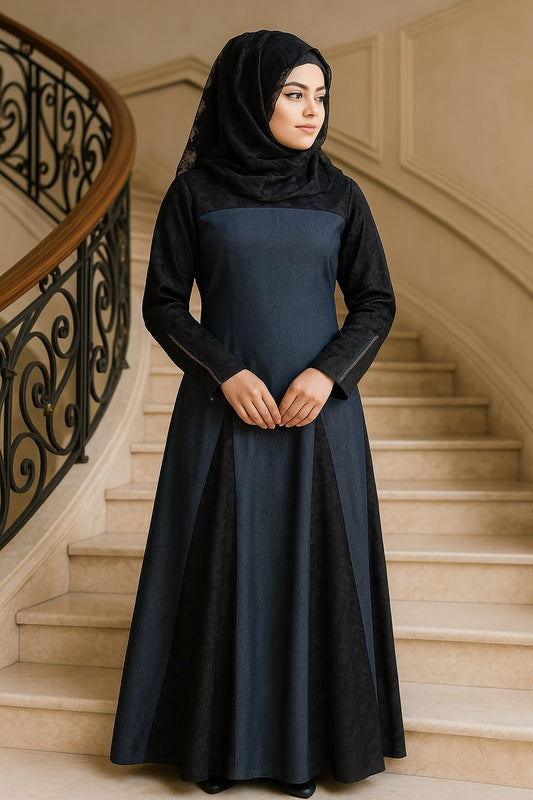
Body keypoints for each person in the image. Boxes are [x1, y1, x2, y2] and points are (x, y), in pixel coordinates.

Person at [110, 29, 406, 798]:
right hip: (222, 419)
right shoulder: (196, 192)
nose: (312, 112)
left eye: (320, 96)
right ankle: (218, 747)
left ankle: (312, 750)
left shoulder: (338, 193)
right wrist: (225, 370)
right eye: (293, 93)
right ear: (251, 95)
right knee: (223, 569)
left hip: (319, 423)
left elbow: (374, 302)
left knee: (316, 571)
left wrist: (327, 373)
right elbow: (163, 304)